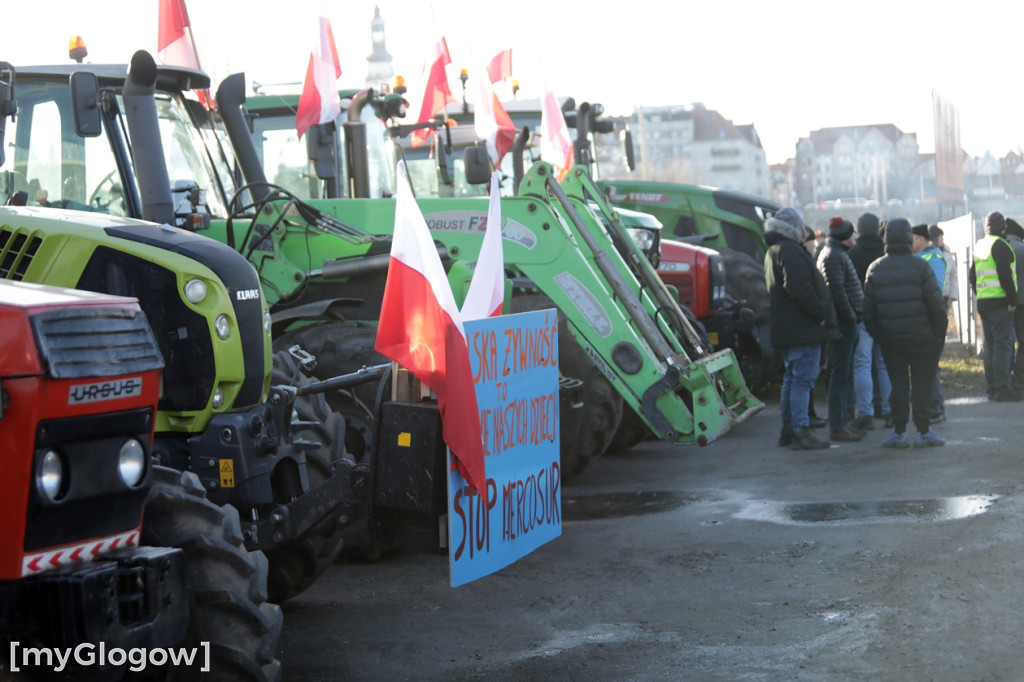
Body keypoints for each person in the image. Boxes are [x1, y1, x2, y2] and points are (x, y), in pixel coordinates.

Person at [863, 218, 947, 448]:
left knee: (897, 386)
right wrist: (938, 334)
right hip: (924, 339)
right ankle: (924, 431)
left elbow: (868, 311)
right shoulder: (921, 266)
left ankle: (899, 432)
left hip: (892, 341)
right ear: (908, 237)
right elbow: (937, 305)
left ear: (887, 239)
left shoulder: (875, 268)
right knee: (922, 386)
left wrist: (881, 336)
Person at [764, 207, 838, 450]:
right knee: (802, 381)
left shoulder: (774, 250)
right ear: (795, 227)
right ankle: (799, 431)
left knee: (791, 379)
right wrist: (821, 317)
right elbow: (799, 289)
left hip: (788, 329)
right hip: (802, 329)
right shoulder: (791, 250)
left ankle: (789, 430)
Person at [817, 217, 864, 442]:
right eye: (852, 235)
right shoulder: (833, 256)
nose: (854, 238)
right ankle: (837, 425)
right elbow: (836, 290)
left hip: (844, 323)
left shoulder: (834, 253)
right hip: (843, 324)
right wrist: (851, 317)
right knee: (840, 375)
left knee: (843, 375)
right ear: (845, 237)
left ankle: (842, 423)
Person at [846, 212, 892, 430]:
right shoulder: (886, 253)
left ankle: (865, 413)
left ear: (859, 228)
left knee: (862, 364)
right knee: (885, 364)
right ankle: (889, 411)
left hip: (863, 316)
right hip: (885, 316)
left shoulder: (852, 254)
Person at [969, 211, 1021, 401]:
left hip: (984, 303)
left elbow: (972, 276)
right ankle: (1003, 388)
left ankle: (992, 387)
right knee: (1003, 345)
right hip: (1000, 304)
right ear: (1003, 228)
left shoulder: (980, 244)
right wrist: (1012, 300)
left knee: (990, 346)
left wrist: (981, 294)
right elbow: (1005, 275)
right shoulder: (1000, 245)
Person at [914, 224, 949, 422]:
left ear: (921, 239)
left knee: (929, 364)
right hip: (923, 317)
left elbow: (935, 289)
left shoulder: (934, 257)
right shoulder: (918, 258)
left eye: (911, 237)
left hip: (930, 317)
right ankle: (933, 408)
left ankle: (936, 409)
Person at [1005, 218, 1024, 392]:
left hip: (1001, 304)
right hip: (1022, 304)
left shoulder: (999, 247)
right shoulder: (1021, 249)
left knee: (1005, 342)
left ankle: (1003, 379)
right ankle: (1020, 379)